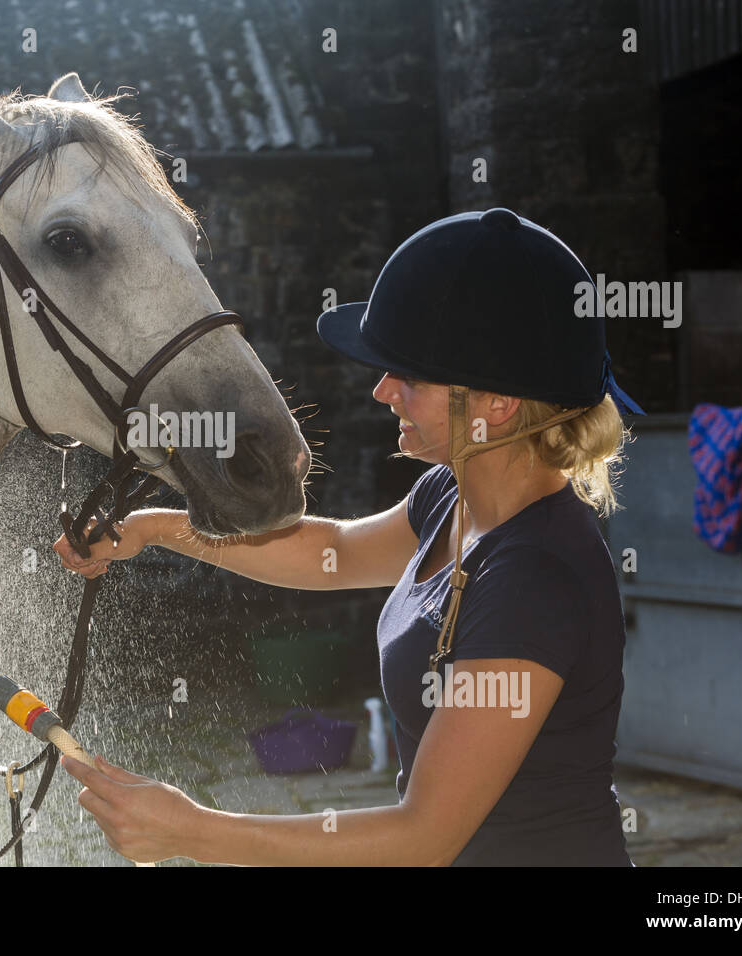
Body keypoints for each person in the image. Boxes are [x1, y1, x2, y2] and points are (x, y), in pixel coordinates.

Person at [54, 208, 645, 866]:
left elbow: (423, 836)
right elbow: (330, 553)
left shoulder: (532, 581)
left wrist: (192, 832)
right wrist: (154, 529)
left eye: (410, 378)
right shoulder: (452, 496)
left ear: (496, 404)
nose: (381, 389)